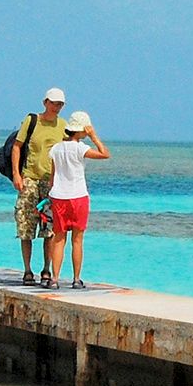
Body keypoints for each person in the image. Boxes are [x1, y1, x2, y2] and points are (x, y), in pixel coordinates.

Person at [10, 88, 71, 286]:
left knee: (50, 229)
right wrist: (17, 175)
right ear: (45, 102)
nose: (56, 107)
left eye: (60, 104)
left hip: (51, 183)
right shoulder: (31, 121)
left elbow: (69, 150)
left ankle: (46, 269)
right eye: (53, 103)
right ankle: (27, 270)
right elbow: (17, 147)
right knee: (25, 226)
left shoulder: (63, 125)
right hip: (29, 179)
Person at [44, 111, 109, 289]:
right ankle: (76, 279)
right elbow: (105, 154)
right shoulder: (81, 148)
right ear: (81, 130)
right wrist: (94, 136)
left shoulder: (56, 148)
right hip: (78, 196)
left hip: (58, 196)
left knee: (58, 238)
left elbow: (53, 174)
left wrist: (49, 195)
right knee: (77, 239)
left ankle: (55, 278)